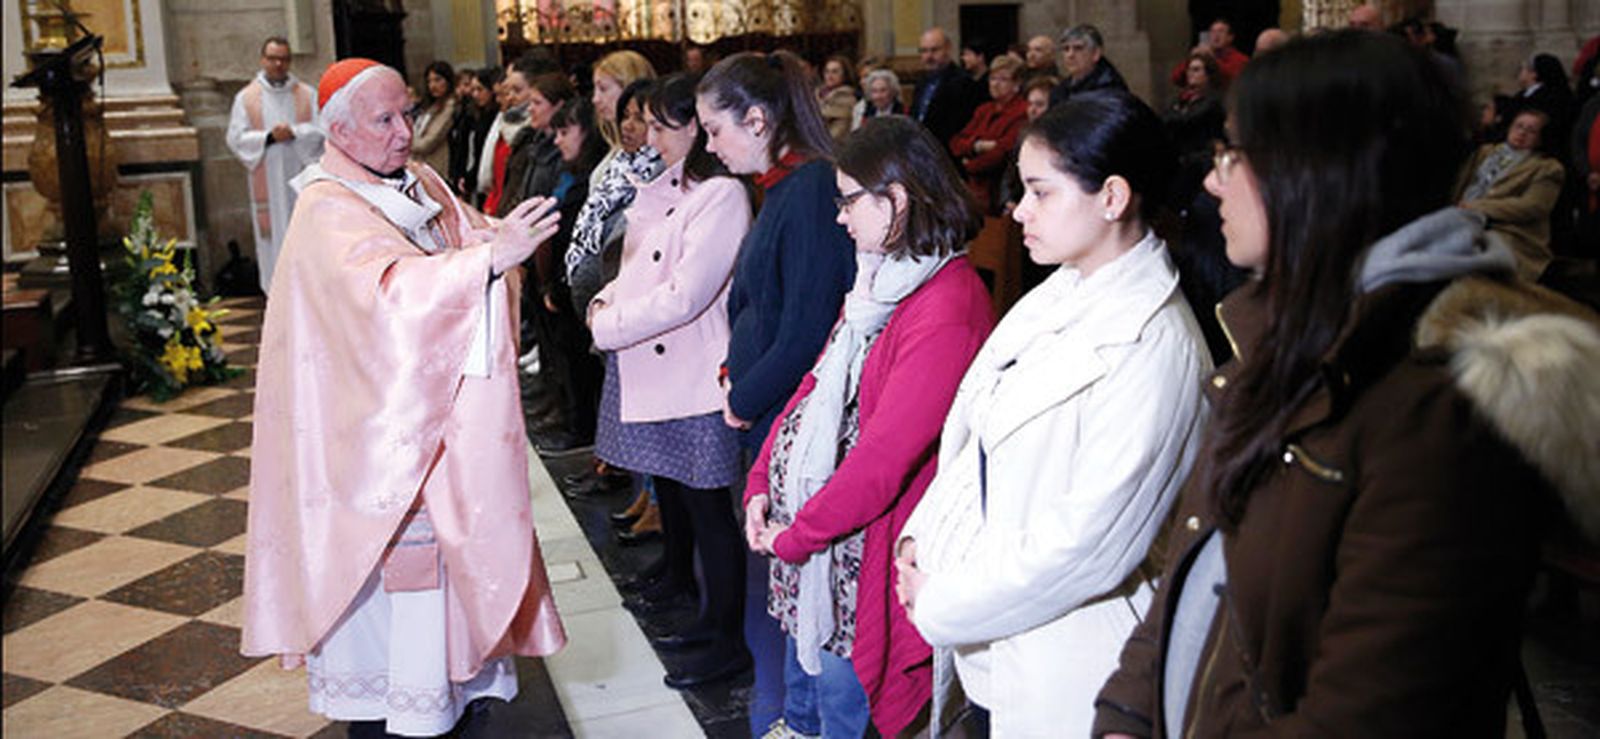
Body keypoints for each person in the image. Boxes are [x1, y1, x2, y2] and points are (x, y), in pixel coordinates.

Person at [1094, 31, 1600, 738]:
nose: (1212, 181)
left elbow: (1370, 711)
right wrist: (1125, 711)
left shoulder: (1440, 410)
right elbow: (1193, 564)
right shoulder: (1271, 338)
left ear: (1315, 171)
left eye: (1231, 155)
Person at [242, 58, 568, 737]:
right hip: (374, 462)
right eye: (385, 120)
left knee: (453, 652)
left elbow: (469, 235)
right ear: (338, 130)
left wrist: (498, 243)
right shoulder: (325, 208)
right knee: (396, 669)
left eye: (407, 113)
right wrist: (487, 261)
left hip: (438, 443)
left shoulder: (415, 180)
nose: (404, 131)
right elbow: (387, 301)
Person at [893, 91, 1211, 736]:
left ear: (1113, 197)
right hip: (995, 622)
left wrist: (944, 600)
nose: (1017, 211)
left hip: (1072, 655)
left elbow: (1089, 545)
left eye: (1040, 192)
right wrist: (921, 537)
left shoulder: (1157, 345)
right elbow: (979, 430)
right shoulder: (1062, 290)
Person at [743, 115, 994, 738]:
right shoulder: (879, 280)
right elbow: (813, 386)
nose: (839, 218)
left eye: (849, 200)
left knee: (842, 711)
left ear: (898, 199)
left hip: (861, 560)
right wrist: (759, 485)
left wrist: (796, 535)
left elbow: (883, 459)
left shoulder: (947, 303)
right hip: (816, 545)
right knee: (805, 702)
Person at [696, 50, 858, 734]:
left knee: (807, 581)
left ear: (758, 119)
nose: (709, 144)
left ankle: (814, 716)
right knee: (786, 581)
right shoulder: (784, 185)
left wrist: (744, 394)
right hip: (770, 405)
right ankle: (797, 710)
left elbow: (809, 326)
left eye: (714, 128)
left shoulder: (815, 190)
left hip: (793, 412)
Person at [590, 72, 755, 690]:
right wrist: (605, 300)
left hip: (695, 370)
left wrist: (610, 326)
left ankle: (726, 636)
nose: (649, 137)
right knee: (678, 494)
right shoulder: (671, 186)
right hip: (658, 358)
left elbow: (687, 294)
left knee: (711, 510)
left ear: (695, 130)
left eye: (661, 125)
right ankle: (692, 602)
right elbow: (637, 269)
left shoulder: (721, 196)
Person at [225, 36, 322, 294]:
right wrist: (269, 137)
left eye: (283, 59)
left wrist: (295, 132)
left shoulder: (306, 94)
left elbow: (322, 132)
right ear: (262, 60)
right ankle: (276, 297)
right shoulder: (246, 97)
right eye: (272, 58)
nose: (278, 64)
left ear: (289, 61)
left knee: (305, 237)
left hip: (299, 180)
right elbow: (235, 138)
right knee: (273, 243)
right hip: (266, 179)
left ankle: (310, 295)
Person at [1455, 108, 1567, 281]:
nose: (1521, 133)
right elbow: (1459, 184)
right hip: (1460, 215)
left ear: (1540, 138)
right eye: (1518, 126)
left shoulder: (1547, 167)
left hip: (1507, 230)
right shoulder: (1485, 152)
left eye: (1531, 131)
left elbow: (1532, 207)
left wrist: (1478, 207)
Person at [950, 54, 1029, 214]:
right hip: (975, 191)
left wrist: (969, 164)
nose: (995, 84)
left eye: (1002, 79)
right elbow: (956, 143)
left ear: (1017, 84)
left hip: (999, 191)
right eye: (992, 78)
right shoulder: (984, 110)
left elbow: (1002, 152)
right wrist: (977, 146)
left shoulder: (1022, 111)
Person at [911, 28, 983, 152]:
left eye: (934, 50)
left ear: (948, 49)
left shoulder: (963, 82)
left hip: (946, 152)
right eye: (924, 51)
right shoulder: (921, 82)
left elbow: (961, 125)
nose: (929, 56)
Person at [1050, 24, 1128, 107]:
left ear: (1095, 54)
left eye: (1078, 48)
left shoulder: (1110, 90)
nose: (1070, 55)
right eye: (1066, 49)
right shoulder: (1060, 90)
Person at [410, 61, 458, 180]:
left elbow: (430, 141)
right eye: (429, 81)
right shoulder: (430, 106)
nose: (433, 85)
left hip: (436, 167)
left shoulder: (450, 106)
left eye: (437, 80)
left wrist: (406, 143)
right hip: (421, 166)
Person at [1170, 19, 1247, 89]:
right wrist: (1191, 58)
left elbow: (1230, 79)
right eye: (1212, 32)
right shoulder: (1203, 56)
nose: (1216, 35)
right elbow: (1176, 79)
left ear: (1230, 37)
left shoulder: (1240, 59)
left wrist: (1211, 59)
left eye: (1221, 31)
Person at [465, 67, 502, 203]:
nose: (475, 94)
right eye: (473, 90)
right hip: (477, 177)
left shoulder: (495, 118)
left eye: (480, 89)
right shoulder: (476, 115)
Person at [818, 55, 859, 142]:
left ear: (845, 74)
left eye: (835, 72)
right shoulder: (817, 94)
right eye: (827, 71)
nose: (830, 76)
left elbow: (838, 132)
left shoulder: (847, 97)